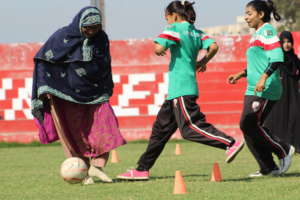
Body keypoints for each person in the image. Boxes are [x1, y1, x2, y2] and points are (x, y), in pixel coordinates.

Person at [117, 0, 244, 180]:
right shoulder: (196, 32)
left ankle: (230, 143)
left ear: (174, 15)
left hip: (181, 90)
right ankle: (141, 169)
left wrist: (159, 47)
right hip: (178, 92)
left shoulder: (174, 29)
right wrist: (202, 62)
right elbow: (214, 46)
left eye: (167, 18)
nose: (166, 21)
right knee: (159, 131)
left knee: (190, 128)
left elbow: (159, 47)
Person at [31, 6, 126, 184]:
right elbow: (43, 59)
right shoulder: (62, 36)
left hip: (95, 91)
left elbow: (105, 64)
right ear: (79, 24)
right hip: (65, 93)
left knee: (106, 126)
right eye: (87, 28)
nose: (91, 31)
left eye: (96, 27)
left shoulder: (101, 38)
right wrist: (44, 88)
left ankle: (97, 167)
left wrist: (106, 86)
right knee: (73, 133)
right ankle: (83, 172)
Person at [227, 0, 294, 178]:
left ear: (261, 14)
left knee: (248, 123)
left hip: (266, 88)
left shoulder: (267, 31)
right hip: (253, 88)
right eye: (245, 13)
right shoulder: (256, 35)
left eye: (249, 13)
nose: (246, 17)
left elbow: (277, 57)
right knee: (248, 127)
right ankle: (268, 167)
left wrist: (264, 77)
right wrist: (242, 73)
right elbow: (260, 62)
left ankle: (284, 149)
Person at [265, 31, 300, 153]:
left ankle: (295, 145)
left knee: (295, 116)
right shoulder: (277, 59)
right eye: (284, 42)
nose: (287, 44)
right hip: (280, 93)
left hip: (293, 94)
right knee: (278, 118)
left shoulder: (295, 59)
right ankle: (277, 145)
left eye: (289, 41)